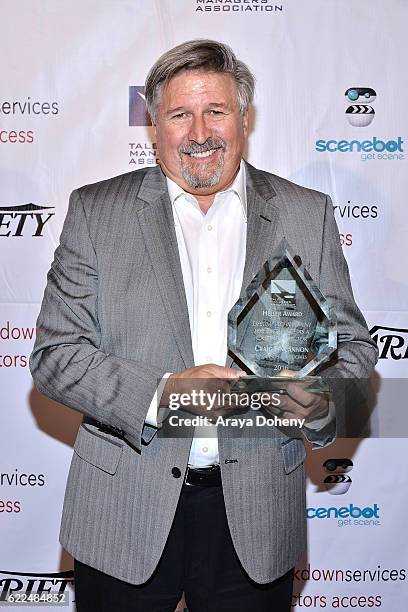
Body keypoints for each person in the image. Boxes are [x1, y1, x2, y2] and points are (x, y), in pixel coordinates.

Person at [30, 40, 378, 612]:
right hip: (124, 510)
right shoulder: (97, 211)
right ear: (153, 124)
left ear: (244, 117)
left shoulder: (304, 212)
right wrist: (164, 397)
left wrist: (320, 401)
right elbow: (56, 355)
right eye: (179, 114)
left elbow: (355, 350)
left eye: (216, 112)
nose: (199, 132)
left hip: (256, 515)